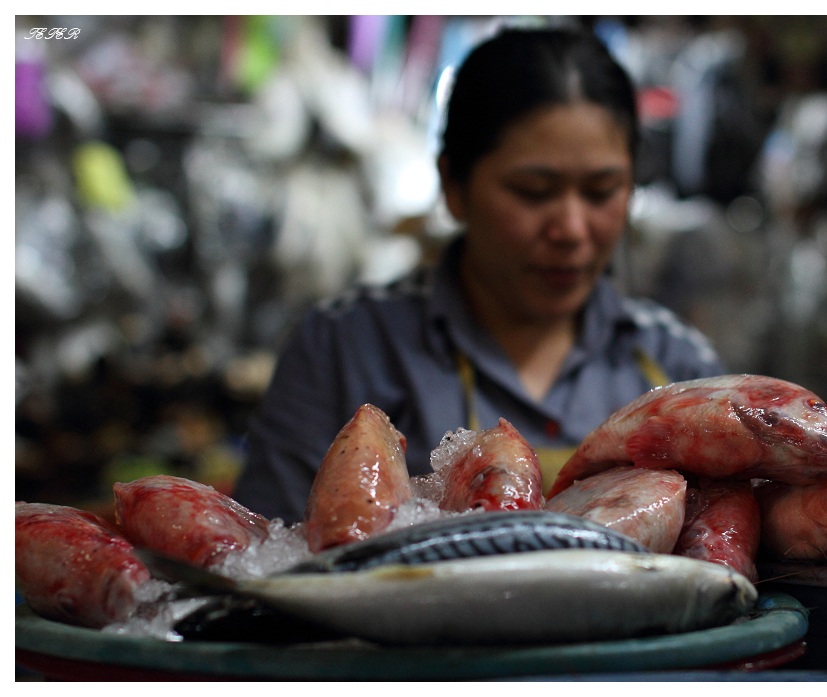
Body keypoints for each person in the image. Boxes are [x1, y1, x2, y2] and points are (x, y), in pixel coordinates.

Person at [232, 25, 725, 523]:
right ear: (453, 185)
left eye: (602, 191)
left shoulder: (676, 365)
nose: (572, 229)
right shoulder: (344, 349)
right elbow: (261, 563)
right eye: (533, 191)